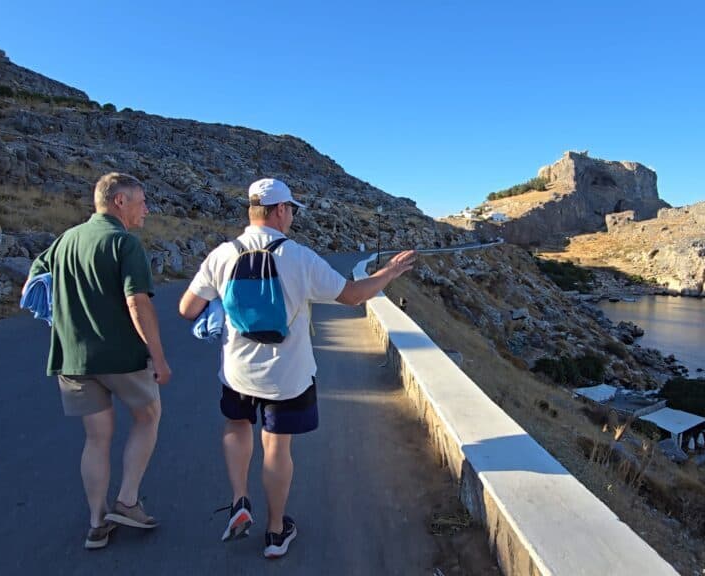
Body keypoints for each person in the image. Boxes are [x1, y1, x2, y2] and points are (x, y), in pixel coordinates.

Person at [178, 178, 416, 559]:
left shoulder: (222, 254)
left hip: (236, 371)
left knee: (237, 426)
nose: (292, 217)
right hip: (286, 377)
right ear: (279, 211)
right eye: (291, 209)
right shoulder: (299, 257)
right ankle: (275, 533)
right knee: (276, 445)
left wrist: (220, 304)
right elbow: (353, 297)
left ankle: (240, 499)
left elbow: (187, 309)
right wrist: (388, 272)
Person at [26, 172, 172, 550]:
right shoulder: (124, 243)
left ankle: (96, 522)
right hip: (122, 356)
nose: (146, 209)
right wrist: (158, 357)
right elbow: (137, 303)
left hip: (73, 359)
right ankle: (127, 500)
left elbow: (34, 287)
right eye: (141, 201)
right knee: (148, 415)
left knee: (96, 438)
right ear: (119, 201)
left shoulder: (63, 242)